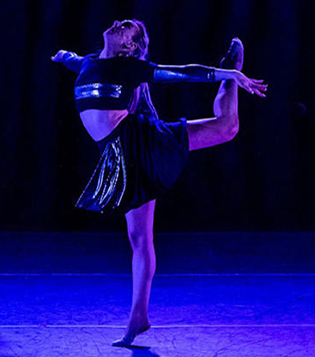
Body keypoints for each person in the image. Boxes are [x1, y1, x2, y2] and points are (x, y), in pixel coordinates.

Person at [52, 19, 266, 346]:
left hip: (140, 143)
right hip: (117, 155)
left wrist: (228, 75)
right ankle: (139, 316)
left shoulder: (130, 68)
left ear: (131, 46)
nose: (115, 24)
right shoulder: (88, 63)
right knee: (139, 237)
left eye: (125, 27)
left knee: (227, 127)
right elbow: (71, 60)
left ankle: (232, 71)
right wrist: (61, 55)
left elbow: (182, 72)